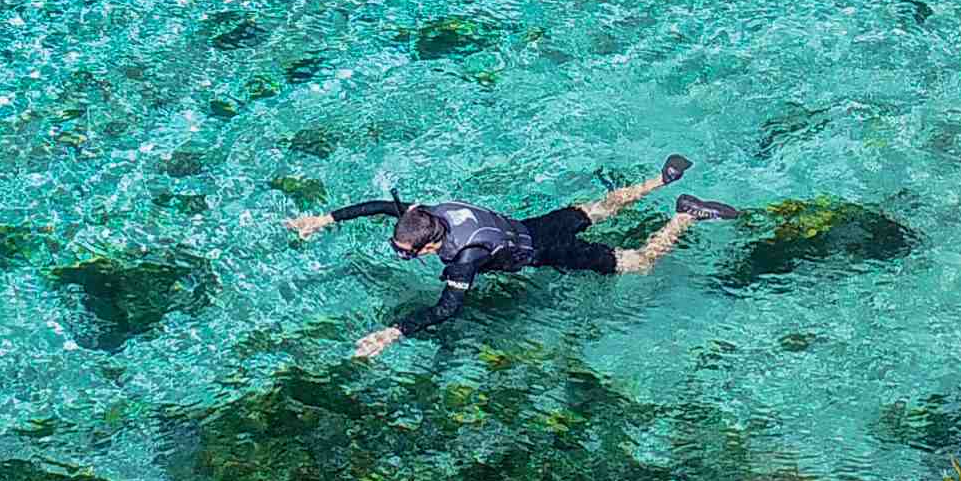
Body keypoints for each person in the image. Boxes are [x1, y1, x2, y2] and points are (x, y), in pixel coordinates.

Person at [288, 155, 747, 359]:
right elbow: (379, 207)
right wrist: (324, 219)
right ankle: (660, 179)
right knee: (595, 209)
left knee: (639, 262)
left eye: (408, 254)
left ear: (429, 245)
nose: (405, 256)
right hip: (529, 226)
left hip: (545, 249)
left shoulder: (465, 257)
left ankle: (684, 216)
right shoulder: (428, 214)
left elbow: (447, 310)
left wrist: (393, 332)